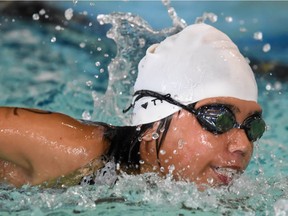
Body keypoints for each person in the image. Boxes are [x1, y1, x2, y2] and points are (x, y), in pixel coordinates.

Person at [0, 23, 266, 189]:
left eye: (252, 127)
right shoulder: (75, 151)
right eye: (218, 118)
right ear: (153, 124)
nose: (242, 145)